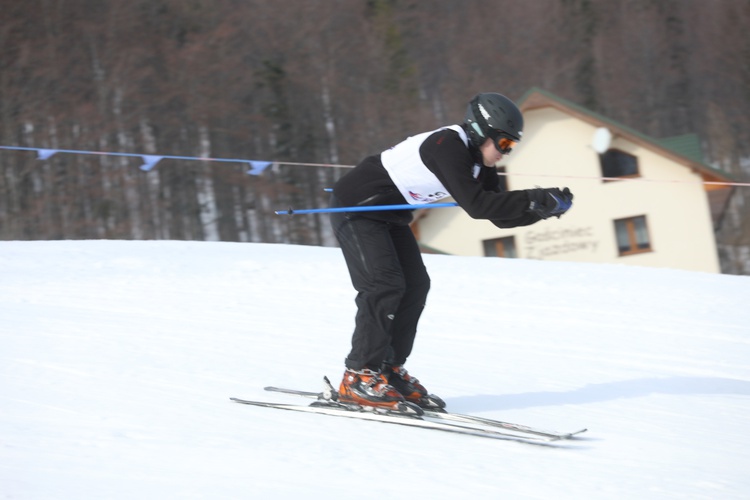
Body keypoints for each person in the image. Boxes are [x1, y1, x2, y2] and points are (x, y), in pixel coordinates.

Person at [330, 92, 573, 412]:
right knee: (384, 285)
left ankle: (388, 370)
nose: (505, 154)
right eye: (503, 145)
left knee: (416, 285)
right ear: (480, 131)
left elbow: (497, 216)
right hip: (356, 208)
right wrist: (535, 198)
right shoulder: (447, 146)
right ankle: (359, 375)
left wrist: (542, 210)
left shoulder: (478, 163)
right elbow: (476, 206)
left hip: (389, 216)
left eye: (511, 147)